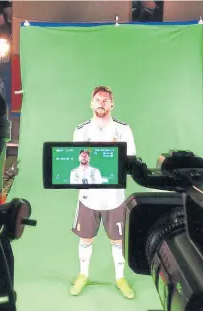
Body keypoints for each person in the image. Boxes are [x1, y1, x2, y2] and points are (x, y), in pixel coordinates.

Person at [70, 85, 136, 299]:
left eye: (105, 100)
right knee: (85, 239)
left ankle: (120, 277)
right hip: (88, 197)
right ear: (91, 103)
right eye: (97, 99)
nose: (101, 103)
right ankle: (83, 275)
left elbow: (131, 160)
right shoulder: (81, 130)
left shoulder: (123, 129)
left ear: (112, 104)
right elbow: (75, 160)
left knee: (118, 241)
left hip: (115, 197)